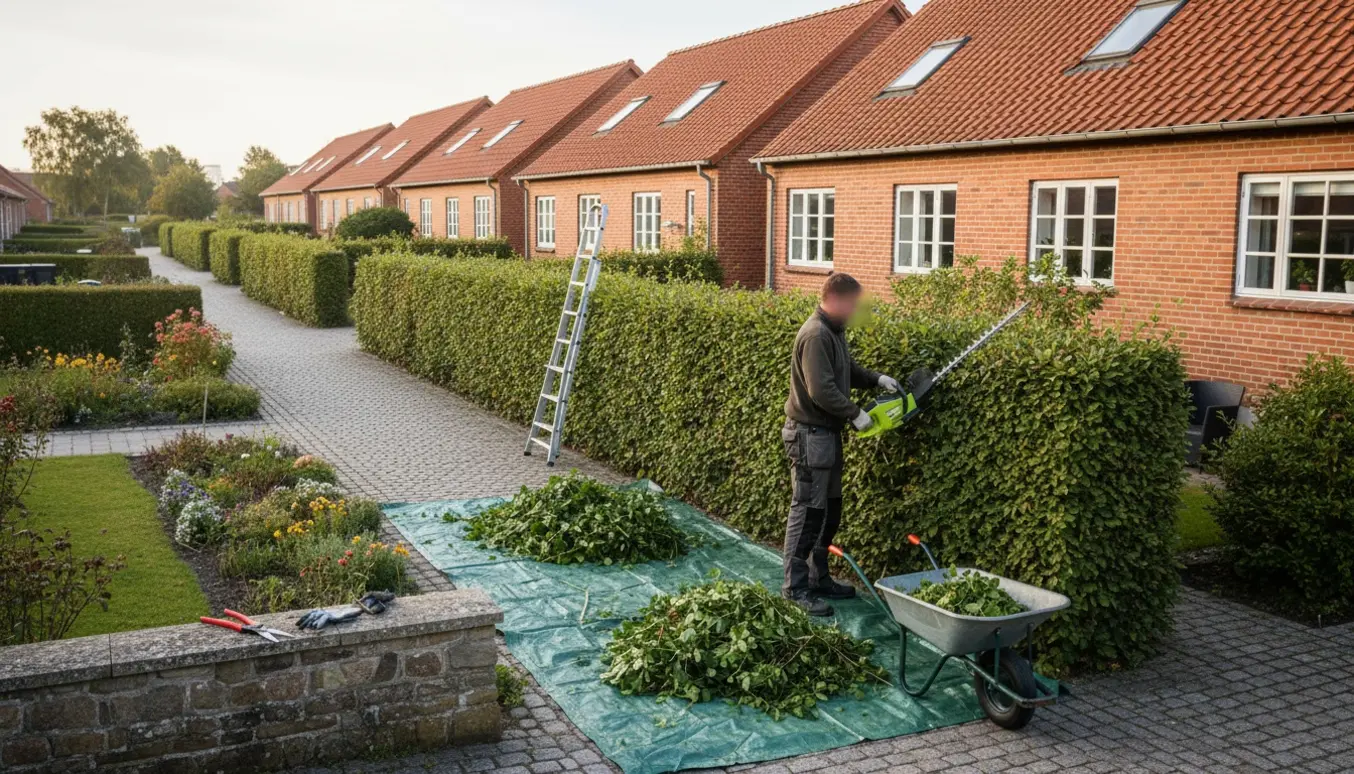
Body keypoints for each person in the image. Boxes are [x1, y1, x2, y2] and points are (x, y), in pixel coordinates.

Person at [782, 273, 903, 616]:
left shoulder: (834, 331)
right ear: (836, 299)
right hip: (809, 436)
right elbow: (821, 391)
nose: (854, 312)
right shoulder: (816, 334)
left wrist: (875, 379)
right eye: (852, 306)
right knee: (807, 512)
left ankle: (820, 579)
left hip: (826, 436)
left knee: (829, 511)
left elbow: (845, 370)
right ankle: (795, 587)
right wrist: (855, 414)